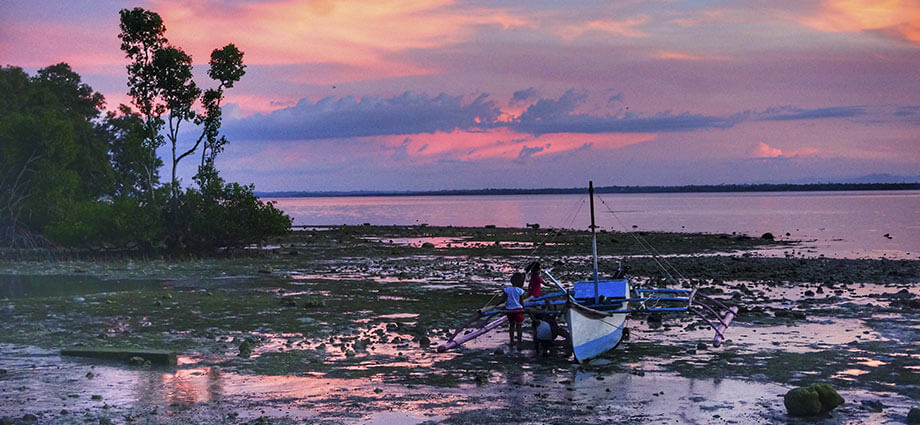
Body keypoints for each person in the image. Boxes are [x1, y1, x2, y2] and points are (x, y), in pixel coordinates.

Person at [499, 272, 526, 348]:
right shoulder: (520, 291)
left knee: (511, 325)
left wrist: (498, 305)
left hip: (509, 310)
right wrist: (524, 308)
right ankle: (519, 341)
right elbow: (521, 302)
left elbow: (503, 300)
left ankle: (512, 340)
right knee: (519, 326)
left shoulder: (507, 290)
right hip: (518, 309)